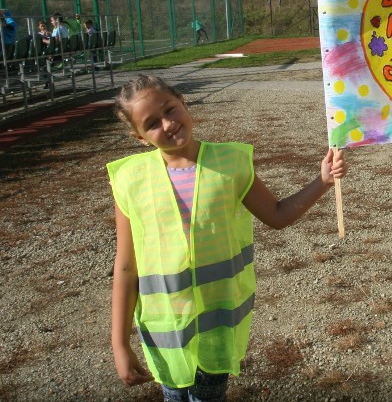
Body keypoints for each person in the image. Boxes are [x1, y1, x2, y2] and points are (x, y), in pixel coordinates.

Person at [107, 75, 348, 400]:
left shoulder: (231, 163)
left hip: (218, 324)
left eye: (170, 109)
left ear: (183, 102)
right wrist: (120, 344)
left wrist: (322, 182)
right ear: (139, 137)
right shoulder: (129, 181)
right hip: (166, 328)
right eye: (151, 123)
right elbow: (125, 268)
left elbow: (277, 215)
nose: (167, 124)